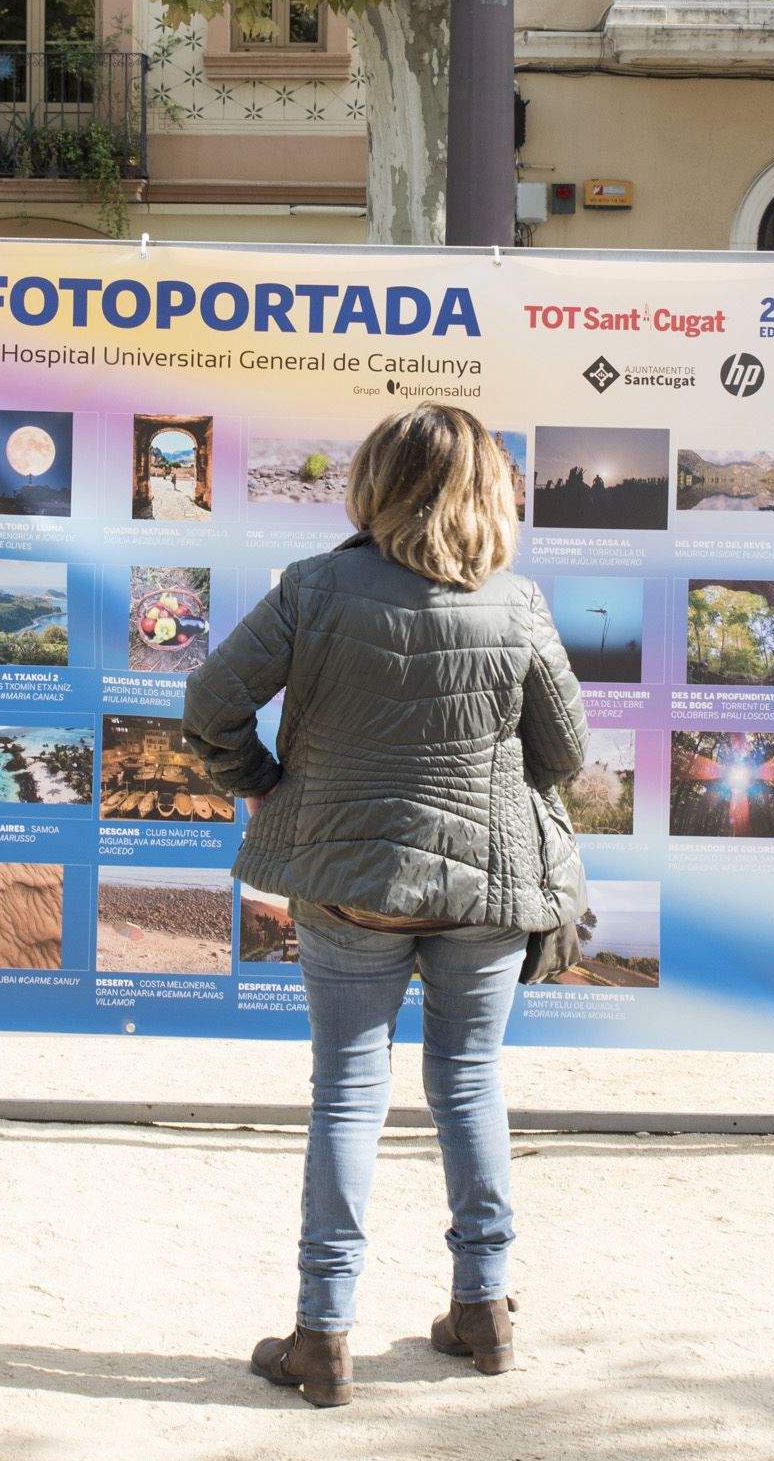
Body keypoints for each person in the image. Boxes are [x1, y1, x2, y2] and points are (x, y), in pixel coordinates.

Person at [184, 403, 589, 1408]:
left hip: (349, 888)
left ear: (374, 482)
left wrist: (266, 779)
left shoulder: (314, 588)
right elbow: (567, 755)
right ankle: (486, 1311)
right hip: (485, 890)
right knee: (469, 1082)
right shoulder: (517, 602)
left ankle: (323, 1334)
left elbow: (207, 706)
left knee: (348, 1092)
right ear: (488, 488)